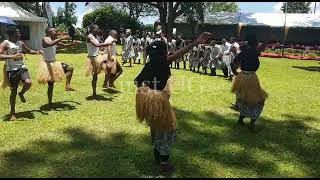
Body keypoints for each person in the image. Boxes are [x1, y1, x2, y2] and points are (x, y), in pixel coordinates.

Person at [134, 32, 212, 175]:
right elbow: (180, 53)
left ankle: (157, 157)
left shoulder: (149, 65)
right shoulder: (163, 62)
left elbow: (137, 82)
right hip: (158, 103)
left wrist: (147, 95)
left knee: (156, 130)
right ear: (163, 54)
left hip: (148, 103)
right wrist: (196, 42)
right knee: (165, 132)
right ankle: (164, 164)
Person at [0, 26, 42, 121]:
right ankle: (12, 112)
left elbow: (28, 51)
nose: (19, 34)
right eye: (17, 33)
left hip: (22, 68)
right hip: (11, 70)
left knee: (28, 83)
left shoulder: (20, 43)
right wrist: (12, 56)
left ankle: (22, 93)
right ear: (12, 34)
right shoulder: (6, 43)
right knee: (13, 91)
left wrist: (37, 52)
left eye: (19, 33)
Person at [231, 34, 268, 132]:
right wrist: (266, 39)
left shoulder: (244, 52)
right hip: (250, 78)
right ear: (255, 43)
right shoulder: (253, 51)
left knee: (245, 100)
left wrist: (236, 73)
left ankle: (240, 120)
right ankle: (251, 124)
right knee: (259, 101)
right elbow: (262, 47)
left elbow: (233, 64)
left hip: (242, 77)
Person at [38, 27, 80, 106]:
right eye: (55, 31)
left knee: (70, 68)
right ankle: (50, 102)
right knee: (51, 84)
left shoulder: (54, 40)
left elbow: (64, 46)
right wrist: (62, 38)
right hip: (47, 64)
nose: (56, 32)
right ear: (50, 33)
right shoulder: (45, 39)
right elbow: (49, 44)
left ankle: (67, 86)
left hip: (54, 62)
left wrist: (73, 44)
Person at [85, 24, 116, 98]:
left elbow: (101, 44)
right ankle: (94, 93)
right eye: (97, 29)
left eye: (99, 29)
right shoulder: (89, 36)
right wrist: (108, 43)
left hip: (99, 56)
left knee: (109, 66)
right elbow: (97, 45)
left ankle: (106, 83)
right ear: (93, 29)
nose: (98, 30)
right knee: (95, 76)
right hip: (93, 58)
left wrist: (103, 46)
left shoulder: (97, 37)